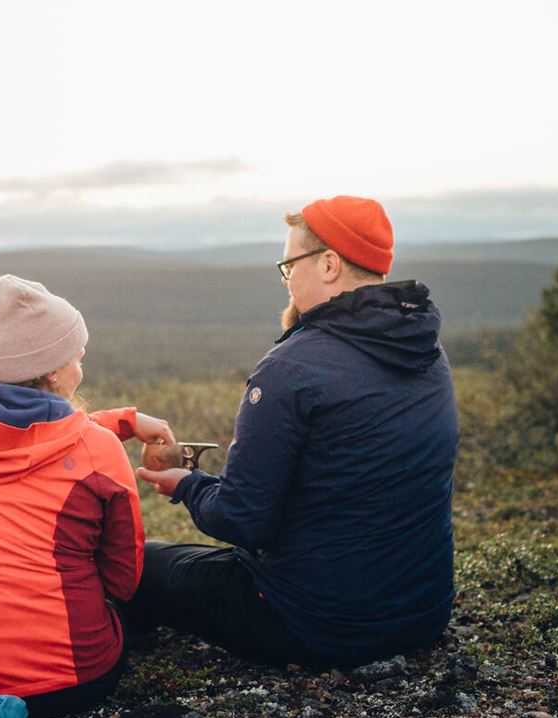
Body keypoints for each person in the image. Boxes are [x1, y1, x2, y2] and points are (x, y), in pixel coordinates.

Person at [130, 196, 460, 669]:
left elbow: (245, 522)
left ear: (328, 264)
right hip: (423, 613)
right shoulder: (426, 351)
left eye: (290, 265)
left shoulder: (290, 369)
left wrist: (188, 484)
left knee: (147, 563)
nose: (287, 280)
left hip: (314, 624)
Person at [0, 274, 175, 718]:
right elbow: (123, 581)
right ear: (54, 370)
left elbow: (22, 438)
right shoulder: (99, 453)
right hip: (77, 681)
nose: (81, 369)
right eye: (77, 358)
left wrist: (122, 420)